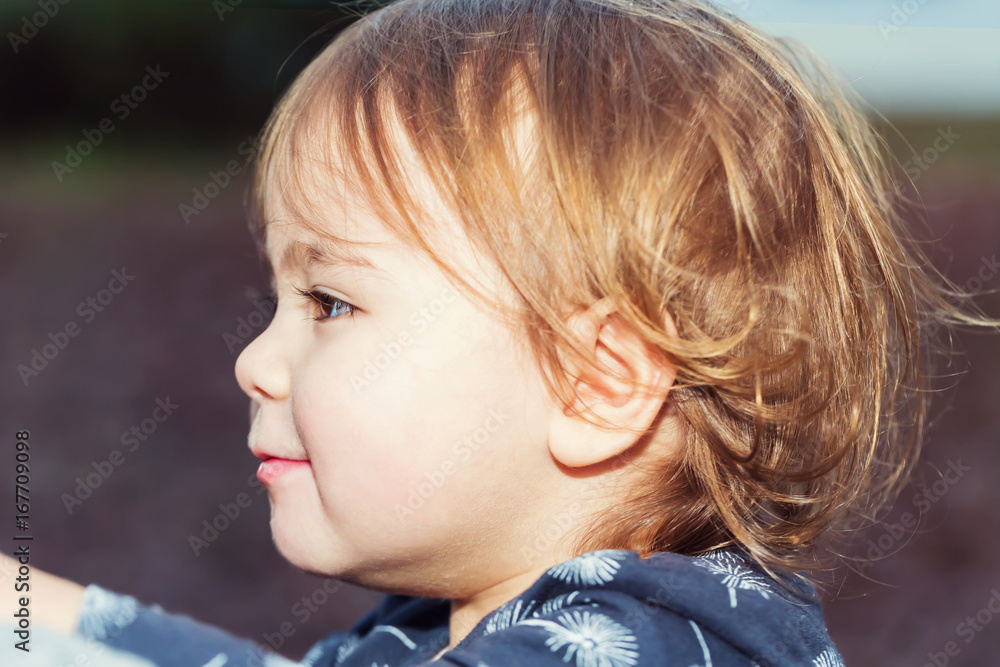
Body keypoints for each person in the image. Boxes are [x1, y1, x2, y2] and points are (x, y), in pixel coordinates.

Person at [4, 0, 993, 665]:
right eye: (277, 298)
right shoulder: (456, 626)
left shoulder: (643, 647)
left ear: (595, 385)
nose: (253, 362)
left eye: (331, 304)